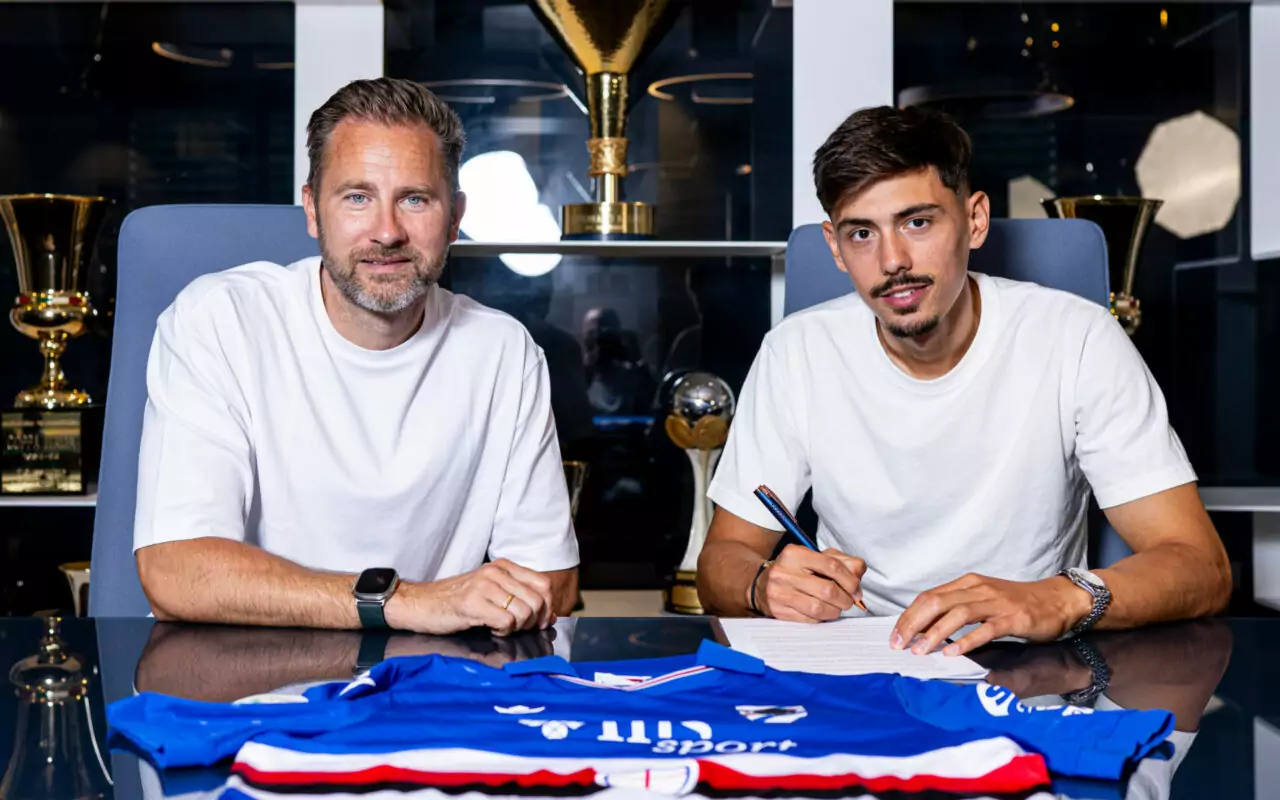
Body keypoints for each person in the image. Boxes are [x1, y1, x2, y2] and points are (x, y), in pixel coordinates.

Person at [697, 105, 1231, 655]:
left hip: (1030, 667)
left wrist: (1055, 600)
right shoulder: (795, 351)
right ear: (835, 246)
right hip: (861, 658)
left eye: (917, 222)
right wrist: (762, 585)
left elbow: (1201, 566)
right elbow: (720, 562)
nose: (893, 260)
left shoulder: (1078, 338)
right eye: (861, 233)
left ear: (975, 220)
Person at [132, 78, 579, 637]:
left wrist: (466, 608)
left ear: (455, 217)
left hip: (426, 678)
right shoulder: (220, 321)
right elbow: (175, 571)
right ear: (312, 210)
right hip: (245, 675)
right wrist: (405, 603)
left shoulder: (504, 353)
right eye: (357, 197)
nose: (387, 232)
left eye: (415, 199)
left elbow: (551, 582)